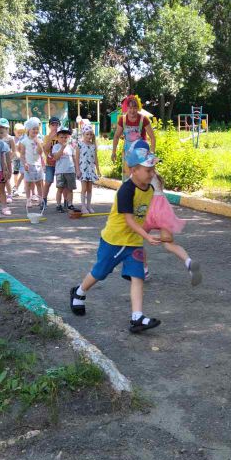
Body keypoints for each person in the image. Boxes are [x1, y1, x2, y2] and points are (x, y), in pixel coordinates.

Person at [70, 140, 161, 333]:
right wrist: (147, 236)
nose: (152, 173)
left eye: (153, 169)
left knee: (138, 275)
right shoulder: (126, 190)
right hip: (115, 240)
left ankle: (137, 317)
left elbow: (143, 214)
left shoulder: (150, 189)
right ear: (134, 170)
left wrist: (155, 226)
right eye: (148, 170)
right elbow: (129, 219)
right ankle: (79, 292)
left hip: (133, 241)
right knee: (100, 272)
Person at [144, 164, 202, 286]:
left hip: (148, 210)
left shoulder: (142, 175)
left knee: (135, 242)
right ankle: (188, 262)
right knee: (169, 244)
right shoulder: (157, 176)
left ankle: (144, 270)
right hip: (163, 210)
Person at [111, 95, 156, 181]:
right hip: (128, 154)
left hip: (141, 155)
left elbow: (152, 137)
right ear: (127, 108)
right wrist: (114, 152)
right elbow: (116, 136)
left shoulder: (143, 119)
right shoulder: (123, 120)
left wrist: (152, 153)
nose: (132, 110)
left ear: (138, 108)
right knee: (127, 179)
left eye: (135, 108)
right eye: (130, 108)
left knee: (140, 180)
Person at [18, 120, 45, 207]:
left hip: (38, 165)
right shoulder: (24, 141)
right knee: (28, 183)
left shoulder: (40, 140)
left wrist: (38, 143)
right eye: (33, 129)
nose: (35, 131)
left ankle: (41, 199)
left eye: (37, 129)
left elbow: (40, 152)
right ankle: (28, 200)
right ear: (28, 130)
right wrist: (24, 163)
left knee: (39, 183)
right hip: (28, 165)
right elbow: (22, 154)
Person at [52, 127, 78, 212]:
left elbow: (74, 159)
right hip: (60, 172)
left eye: (66, 137)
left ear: (68, 137)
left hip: (70, 171)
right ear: (57, 138)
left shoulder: (71, 147)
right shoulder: (56, 147)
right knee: (60, 189)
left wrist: (77, 170)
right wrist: (62, 148)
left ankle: (70, 204)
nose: (64, 139)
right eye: (61, 137)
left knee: (70, 189)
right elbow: (56, 157)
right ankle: (58, 205)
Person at [77, 124, 100, 213]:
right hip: (83, 170)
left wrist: (98, 169)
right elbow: (77, 158)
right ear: (83, 134)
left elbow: (95, 158)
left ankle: (89, 206)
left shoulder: (93, 145)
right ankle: (83, 207)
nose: (89, 136)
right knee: (84, 189)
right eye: (87, 134)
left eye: (90, 134)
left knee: (90, 189)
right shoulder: (80, 144)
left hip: (91, 170)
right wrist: (77, 170)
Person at [42, 117, 61, 207]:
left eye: (56, 125)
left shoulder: (61, 136)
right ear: (49, 126)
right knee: (48, 182)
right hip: (50, 164)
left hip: (60, 164)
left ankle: (63, 203)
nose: (55, 127)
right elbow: (45, 149)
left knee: (61, 184)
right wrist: (51, 137)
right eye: (53, 125)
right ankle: (44, 200)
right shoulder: (46, 137)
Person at [0, 118, 15, 204]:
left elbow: (14, 151)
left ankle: (9, 194)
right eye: (0, 127)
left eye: (4, 127)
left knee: (7, 179)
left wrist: (9, 160)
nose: (2, 129)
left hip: (7, 162)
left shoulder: (10, 138)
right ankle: (0, 194)